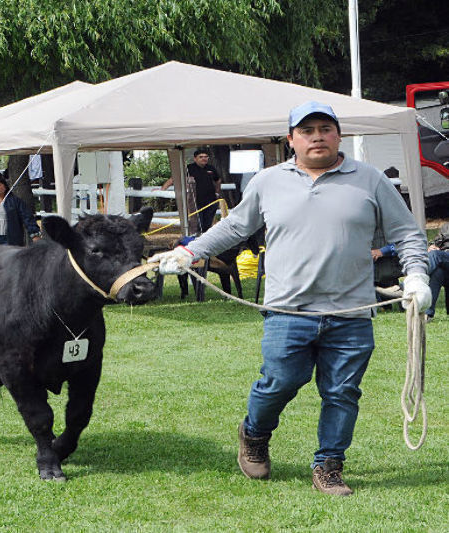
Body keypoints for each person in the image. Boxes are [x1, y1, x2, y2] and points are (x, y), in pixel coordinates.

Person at [151, 101, 430, 496]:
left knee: (342, 393)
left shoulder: (369, 180)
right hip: (287, 311)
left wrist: (416, 273)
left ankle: (329, 466)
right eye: (307, 130)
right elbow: (234, 227)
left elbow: (407, 233)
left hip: (350, 314)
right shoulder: (267, 182)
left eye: (325, 129)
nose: (317, 136)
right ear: (291, 140)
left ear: (338, 135)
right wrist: (189, 252)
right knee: (278, 382)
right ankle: (254, 434)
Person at [161, 148, 222, 232]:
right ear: (195, 158)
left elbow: (218, 180)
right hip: (196, 202)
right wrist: (162, 189)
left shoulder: (211, 168)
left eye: (206, 157)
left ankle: (205, 242)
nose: (204, 158)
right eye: (201, 157)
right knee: (197, 224)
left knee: (207, 225)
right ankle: (196, 240)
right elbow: (174, 179)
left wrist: (217, 193)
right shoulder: (189, 168)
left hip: (211, 201)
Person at [0, 175, 41, 245]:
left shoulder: (15, 202)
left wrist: (35, 235)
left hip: (9, 241)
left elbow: (27, 218)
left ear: (5, 187)